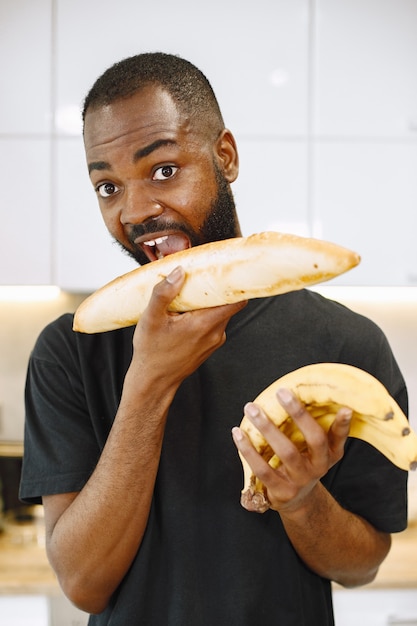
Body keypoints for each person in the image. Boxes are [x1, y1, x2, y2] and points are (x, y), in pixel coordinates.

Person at [20, 52, 408, 626]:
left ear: (224, 156)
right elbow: (83, 583)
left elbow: (361, 566)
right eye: (107, 186)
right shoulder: (68, 349)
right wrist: (149, 382)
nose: (136, 210)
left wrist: (302, 500)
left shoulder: (345, 344)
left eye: (163, 170)